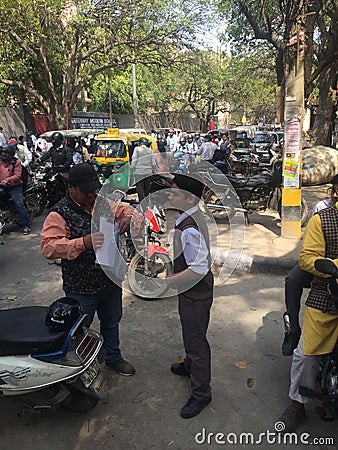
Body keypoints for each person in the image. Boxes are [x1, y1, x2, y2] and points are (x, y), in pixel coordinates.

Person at [40, 163, 135, 376]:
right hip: (81, 287)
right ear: (71, 188)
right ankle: (79, 369)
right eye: (86, 191)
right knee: (78, 331)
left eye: (94, 190)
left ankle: (113, 358)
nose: (92, 195)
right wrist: (82, 242)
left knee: (111, 323)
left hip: (110, 280)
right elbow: (48, 247)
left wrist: (128, 217)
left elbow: (126, 209)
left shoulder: (100, 203)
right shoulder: (59, 214)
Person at [279, 200, 338, 432]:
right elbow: (307, 258)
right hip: (326, 293)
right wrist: (328, 265)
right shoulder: (321, 219)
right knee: (306, 355)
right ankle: (296, 404)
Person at [166, 173, 214, 419]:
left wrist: (168, 281)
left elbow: (198, 268)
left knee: (197, 342)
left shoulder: (190, 229)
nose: (170, 196)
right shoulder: (188, 218)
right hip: (191, 292)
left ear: (188, 198)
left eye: (174, 192)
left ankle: (201, 394)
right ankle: (189, 366)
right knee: (191, 331)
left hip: (196, 293)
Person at [282, 174, 338, 356]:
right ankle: (293, 329)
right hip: (320, 261)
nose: (335, 195)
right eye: (334, 191)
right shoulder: (321, 210)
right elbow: (310, 249)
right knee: (293, 279)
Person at [0, 143, 31, 235]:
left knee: (19, 204)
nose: (3, 154)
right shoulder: (0, 161)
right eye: (2, 152)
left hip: (14, 186)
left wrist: (7, 180)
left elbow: (17, 175)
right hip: (2, 185)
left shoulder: (16, 162)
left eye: (6, 153)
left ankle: (26, 226)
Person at [130, 136, 156, 202]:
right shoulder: (150, 151)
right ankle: (146, 204)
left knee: (140, 190)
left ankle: (142, 205)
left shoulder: (137, 149)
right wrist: (153, 171)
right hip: (148, 172)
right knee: (146, 190)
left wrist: (131, 171)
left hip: (139, 172)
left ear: (141, 143)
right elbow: (153, 163)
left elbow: (134, 160)